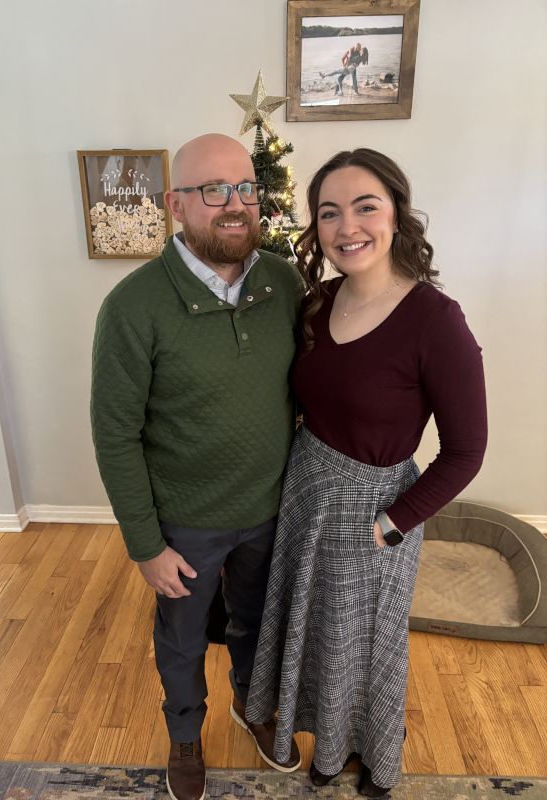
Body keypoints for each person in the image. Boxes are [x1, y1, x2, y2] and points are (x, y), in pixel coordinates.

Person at [246, 148, 488, 797]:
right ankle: (327, 744)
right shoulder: (319, 301)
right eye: (329, 212)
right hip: (307, 495)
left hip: (374, 514)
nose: (347, 227)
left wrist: (393, 522)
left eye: (365, 207)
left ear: (396, 215)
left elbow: (466, 450)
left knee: (365, 645)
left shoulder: (436, 320)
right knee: (318, 633)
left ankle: (371, 755)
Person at [91, 133, 302, 800]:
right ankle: (184, 733)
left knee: (256, 624)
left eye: (245, 187)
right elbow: (115, 434)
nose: (235, 204)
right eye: (214, 190)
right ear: (175, 205)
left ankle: (252, 704)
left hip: (270, 510)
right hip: (185, 524)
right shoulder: (133, 306)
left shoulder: (284, 282)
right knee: (182, 642)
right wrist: (145, 545)